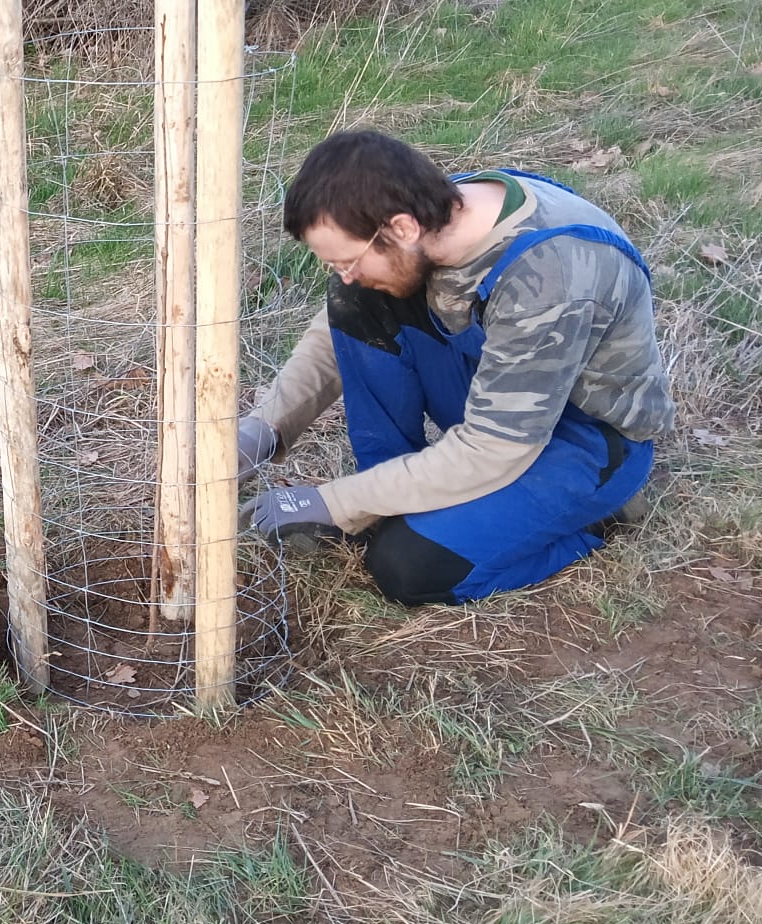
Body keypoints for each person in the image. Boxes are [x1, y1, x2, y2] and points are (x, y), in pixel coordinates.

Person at [239, 129, 673, 605]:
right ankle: (389, 501)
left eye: (347, 259)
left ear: (401, 227)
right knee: (357, 297)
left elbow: (493, 448)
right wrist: (264, 429)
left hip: (582, 440)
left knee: (407, 567)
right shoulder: (432, 213)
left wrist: (335, 502)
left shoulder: (552, 274)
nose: (344, 272)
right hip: (497, 392)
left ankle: (597, 516)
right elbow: (336, 335)